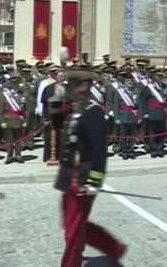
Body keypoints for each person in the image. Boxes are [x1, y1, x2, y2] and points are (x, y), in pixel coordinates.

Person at [54, 66, 126, 267]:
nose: (68, 88)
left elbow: (99, 153)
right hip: (68, 176)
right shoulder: (74, 109)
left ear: (84, 87)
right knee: (69, 224)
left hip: (83, 178)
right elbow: (54, 122)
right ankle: (113, 247)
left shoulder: (93, 112)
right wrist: (57, 96)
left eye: (72, 85)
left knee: (74, 229)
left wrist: (94, 182)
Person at [139, 67, 167, 158]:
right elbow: (143, 101)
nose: (160, 77)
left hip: (162, 113)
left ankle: (160, 148)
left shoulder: (164, 87)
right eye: (158, 76)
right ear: (154, 76)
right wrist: (145, 112)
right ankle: (153, 149)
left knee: (161, 132)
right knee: (152, 133)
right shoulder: (148, 88)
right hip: (152, 113)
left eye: (161, 76)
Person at [2, 74, 27, 164]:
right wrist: (2, 121)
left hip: (19, 119)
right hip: (8, 119)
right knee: (9, 140)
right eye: (12, 80)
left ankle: (18, 155)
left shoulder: (22, 94)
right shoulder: (5, 94)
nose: (13, 82)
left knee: (19, 139)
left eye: (15, 80)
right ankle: (9, 156)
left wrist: (25, 120)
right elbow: (0, 109)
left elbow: (26, 109)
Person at [113, 71, 138, 160]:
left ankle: (131, 151)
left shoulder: (136, 91)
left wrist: (138, 117)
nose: (130, 82)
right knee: (123, 136)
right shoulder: (119, 92)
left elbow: (138, 105)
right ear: (124, 82)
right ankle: (124, 151)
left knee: (132, 136)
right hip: (123, 117)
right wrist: (117, 117)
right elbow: (116, 106)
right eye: (128, 80)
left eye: (131, 80)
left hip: (133, 117)